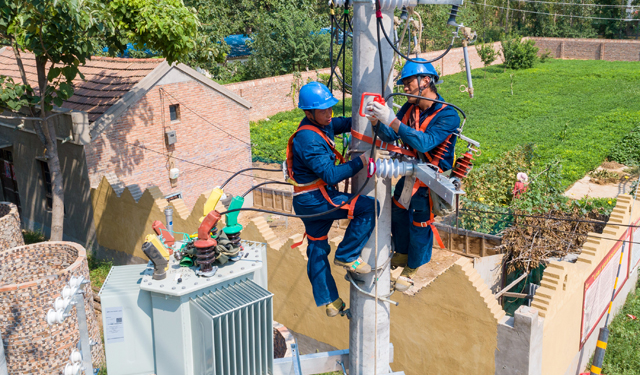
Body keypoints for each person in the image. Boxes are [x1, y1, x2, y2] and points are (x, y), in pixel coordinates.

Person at [365, 58, 460, 292]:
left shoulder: (448, 115)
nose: (404, 87)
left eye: (408, 82)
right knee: (398, 210)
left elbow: (425, 143)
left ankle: (414, 266)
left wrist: (392, 120)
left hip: (431, 176)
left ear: (426, 80)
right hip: (410, 171)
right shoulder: (410, 108)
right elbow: (391, 135)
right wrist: (377, 121)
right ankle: (404, 253)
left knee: (420, 222)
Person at [286, 81, 377, 317]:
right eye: (324, 110)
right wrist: (361, 161)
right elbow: (330, 174)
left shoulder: (322, 124)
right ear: (309, 112)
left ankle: (330, 301)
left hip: (307, 200)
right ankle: (347, 255)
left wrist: (370, 116)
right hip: (316, 199)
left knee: (317, 247)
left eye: (330, 108)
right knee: (368, 208)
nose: (329, 114)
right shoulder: (308, 139)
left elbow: (346, 123)